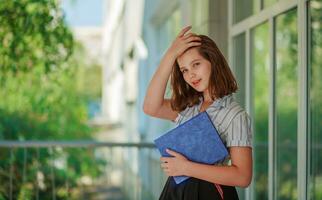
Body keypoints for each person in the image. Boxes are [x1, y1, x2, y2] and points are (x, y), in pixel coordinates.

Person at [143, 26, 253, 200]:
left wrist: (185, 168)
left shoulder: (235, 115)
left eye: (196, 64)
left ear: (213, 62)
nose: (191, 75)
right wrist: (170, 54)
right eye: (184, 70)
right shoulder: (189, 106)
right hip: (176, 191)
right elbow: (150, 107)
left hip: (210, 193)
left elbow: (242, 176)